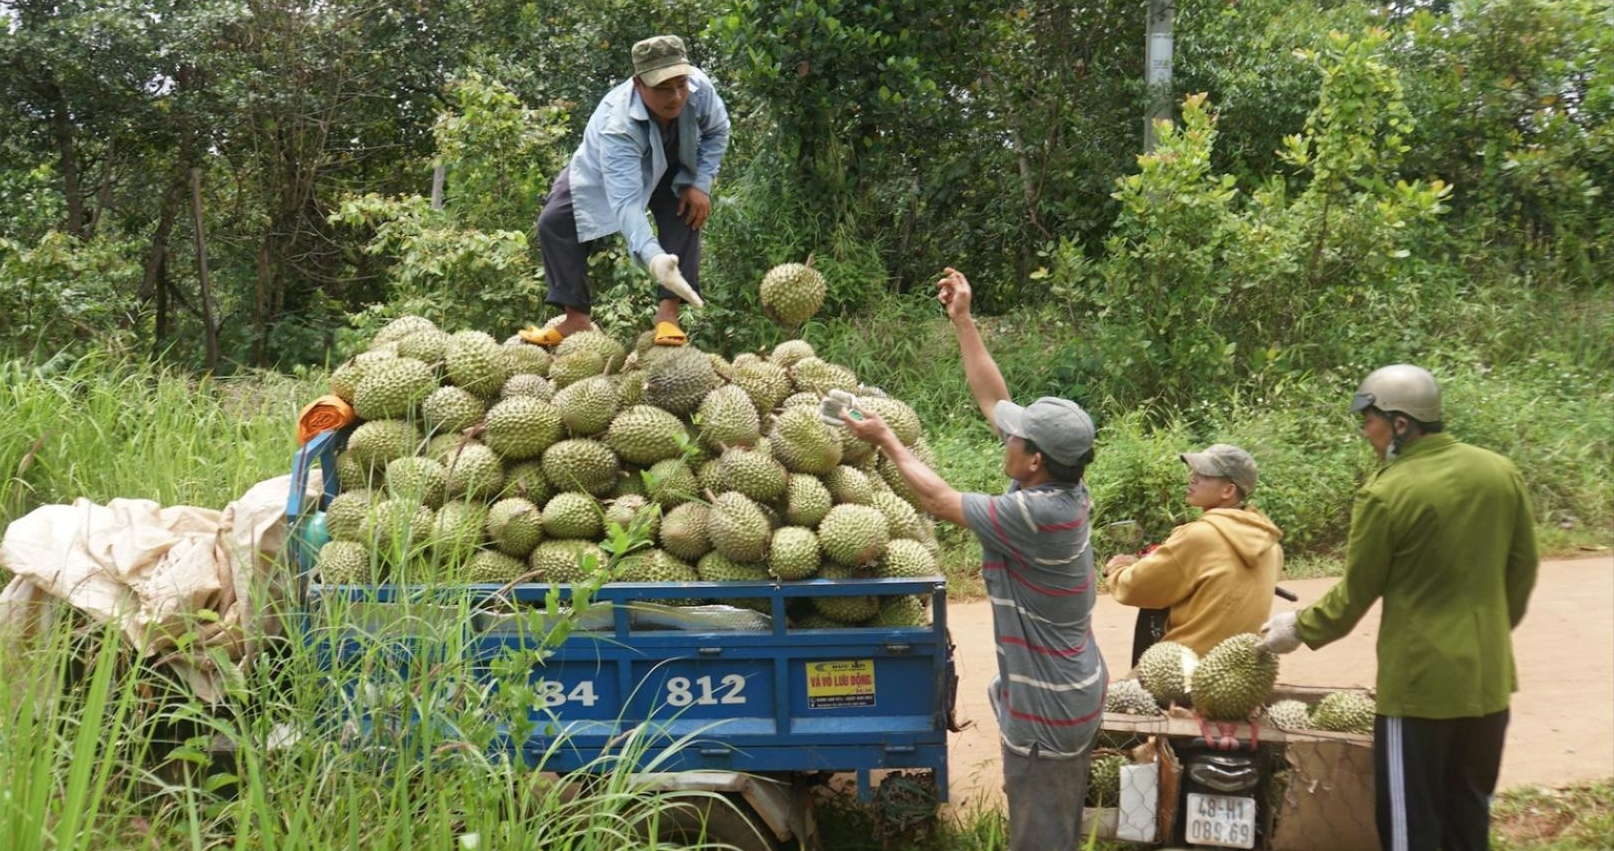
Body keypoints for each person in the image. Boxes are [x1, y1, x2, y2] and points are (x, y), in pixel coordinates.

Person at [833, 267, 1107, 851]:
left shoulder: (1039, 516)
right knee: (1040, 818)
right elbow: (995, 399)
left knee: (1042, 837)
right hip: (1058, 691)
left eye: (1016, 441)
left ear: (1035, 461)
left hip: (1049, 711)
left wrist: (887, 441)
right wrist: (962, 319)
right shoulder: (1058, 481)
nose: (1005, 438)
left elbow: (935, 498)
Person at [1255, 364, 1538, 851]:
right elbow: (1522, 569)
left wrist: (1298, 626)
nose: (1366, 432)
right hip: (1489, 683)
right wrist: (1490, 629)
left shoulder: (1387, 493)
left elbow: (1353, 597)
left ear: (1401, 423)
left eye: (1370, 421)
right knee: (1468, 817)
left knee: (1411, 831)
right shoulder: (1499, 472)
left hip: (1419, 691)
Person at [522, 34, 730, 348]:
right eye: (663, 88)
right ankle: (576, 318)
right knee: (554, 222)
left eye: (680, 85)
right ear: (638, 83)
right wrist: (654, 259)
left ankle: (668, 316)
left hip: (675, 157)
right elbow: (628, 205)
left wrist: (700, 184)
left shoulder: (698, 87)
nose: (675, 96)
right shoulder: (616, 125)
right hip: (608, 168)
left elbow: (717, 131)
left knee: (686, 211)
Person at [1103, 443, 1283, 660]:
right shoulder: (1271, 546)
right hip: (1240, 667)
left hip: (1186, 667)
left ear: (1228, 490)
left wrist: (1118, 569)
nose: (1193, 478)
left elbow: (1135, 588)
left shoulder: (1198, 536)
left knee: (1113, 694)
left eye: (1204, 474)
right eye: (1194, 472)